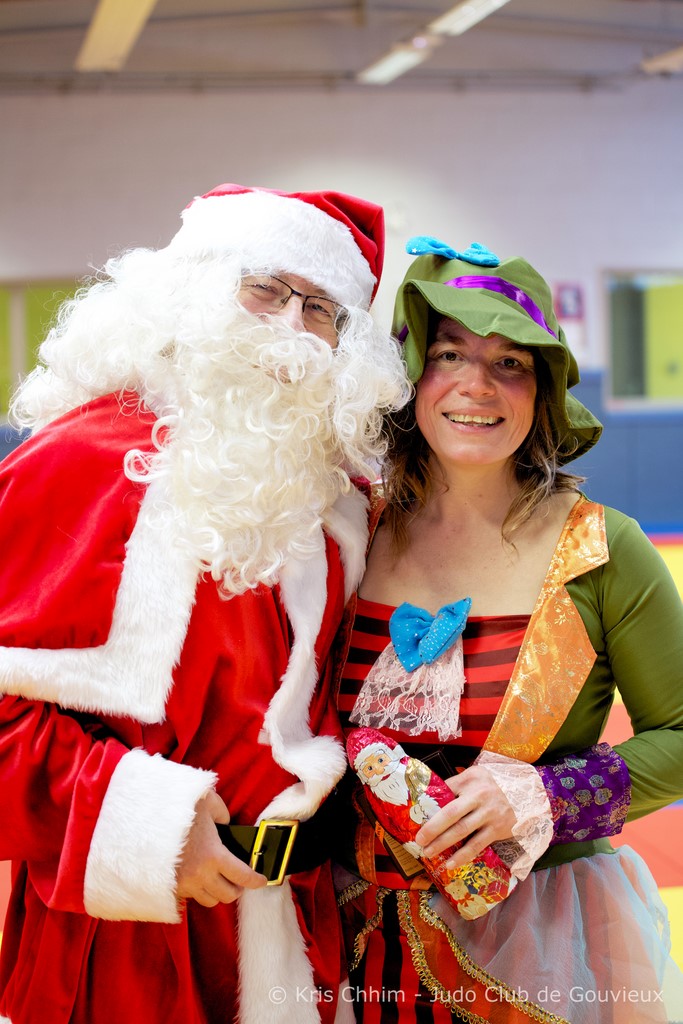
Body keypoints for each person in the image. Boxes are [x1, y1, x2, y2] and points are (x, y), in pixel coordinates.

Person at [0, 182, 410, 1024]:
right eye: (265, 289)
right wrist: (147, 823)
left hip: (302, 928)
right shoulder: (73, 463)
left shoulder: (344, 507)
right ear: (191, 289)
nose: (290, 326)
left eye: (321, 309)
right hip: (125, 941)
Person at [333, 236, 683, 1023]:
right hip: (341, 946)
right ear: (410, 375)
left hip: (533, 951)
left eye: (509, 362)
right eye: (448, 354)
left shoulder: (601, 549)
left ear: (542, 390)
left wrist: (544, 795)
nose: (476, 385)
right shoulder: (349, 534)